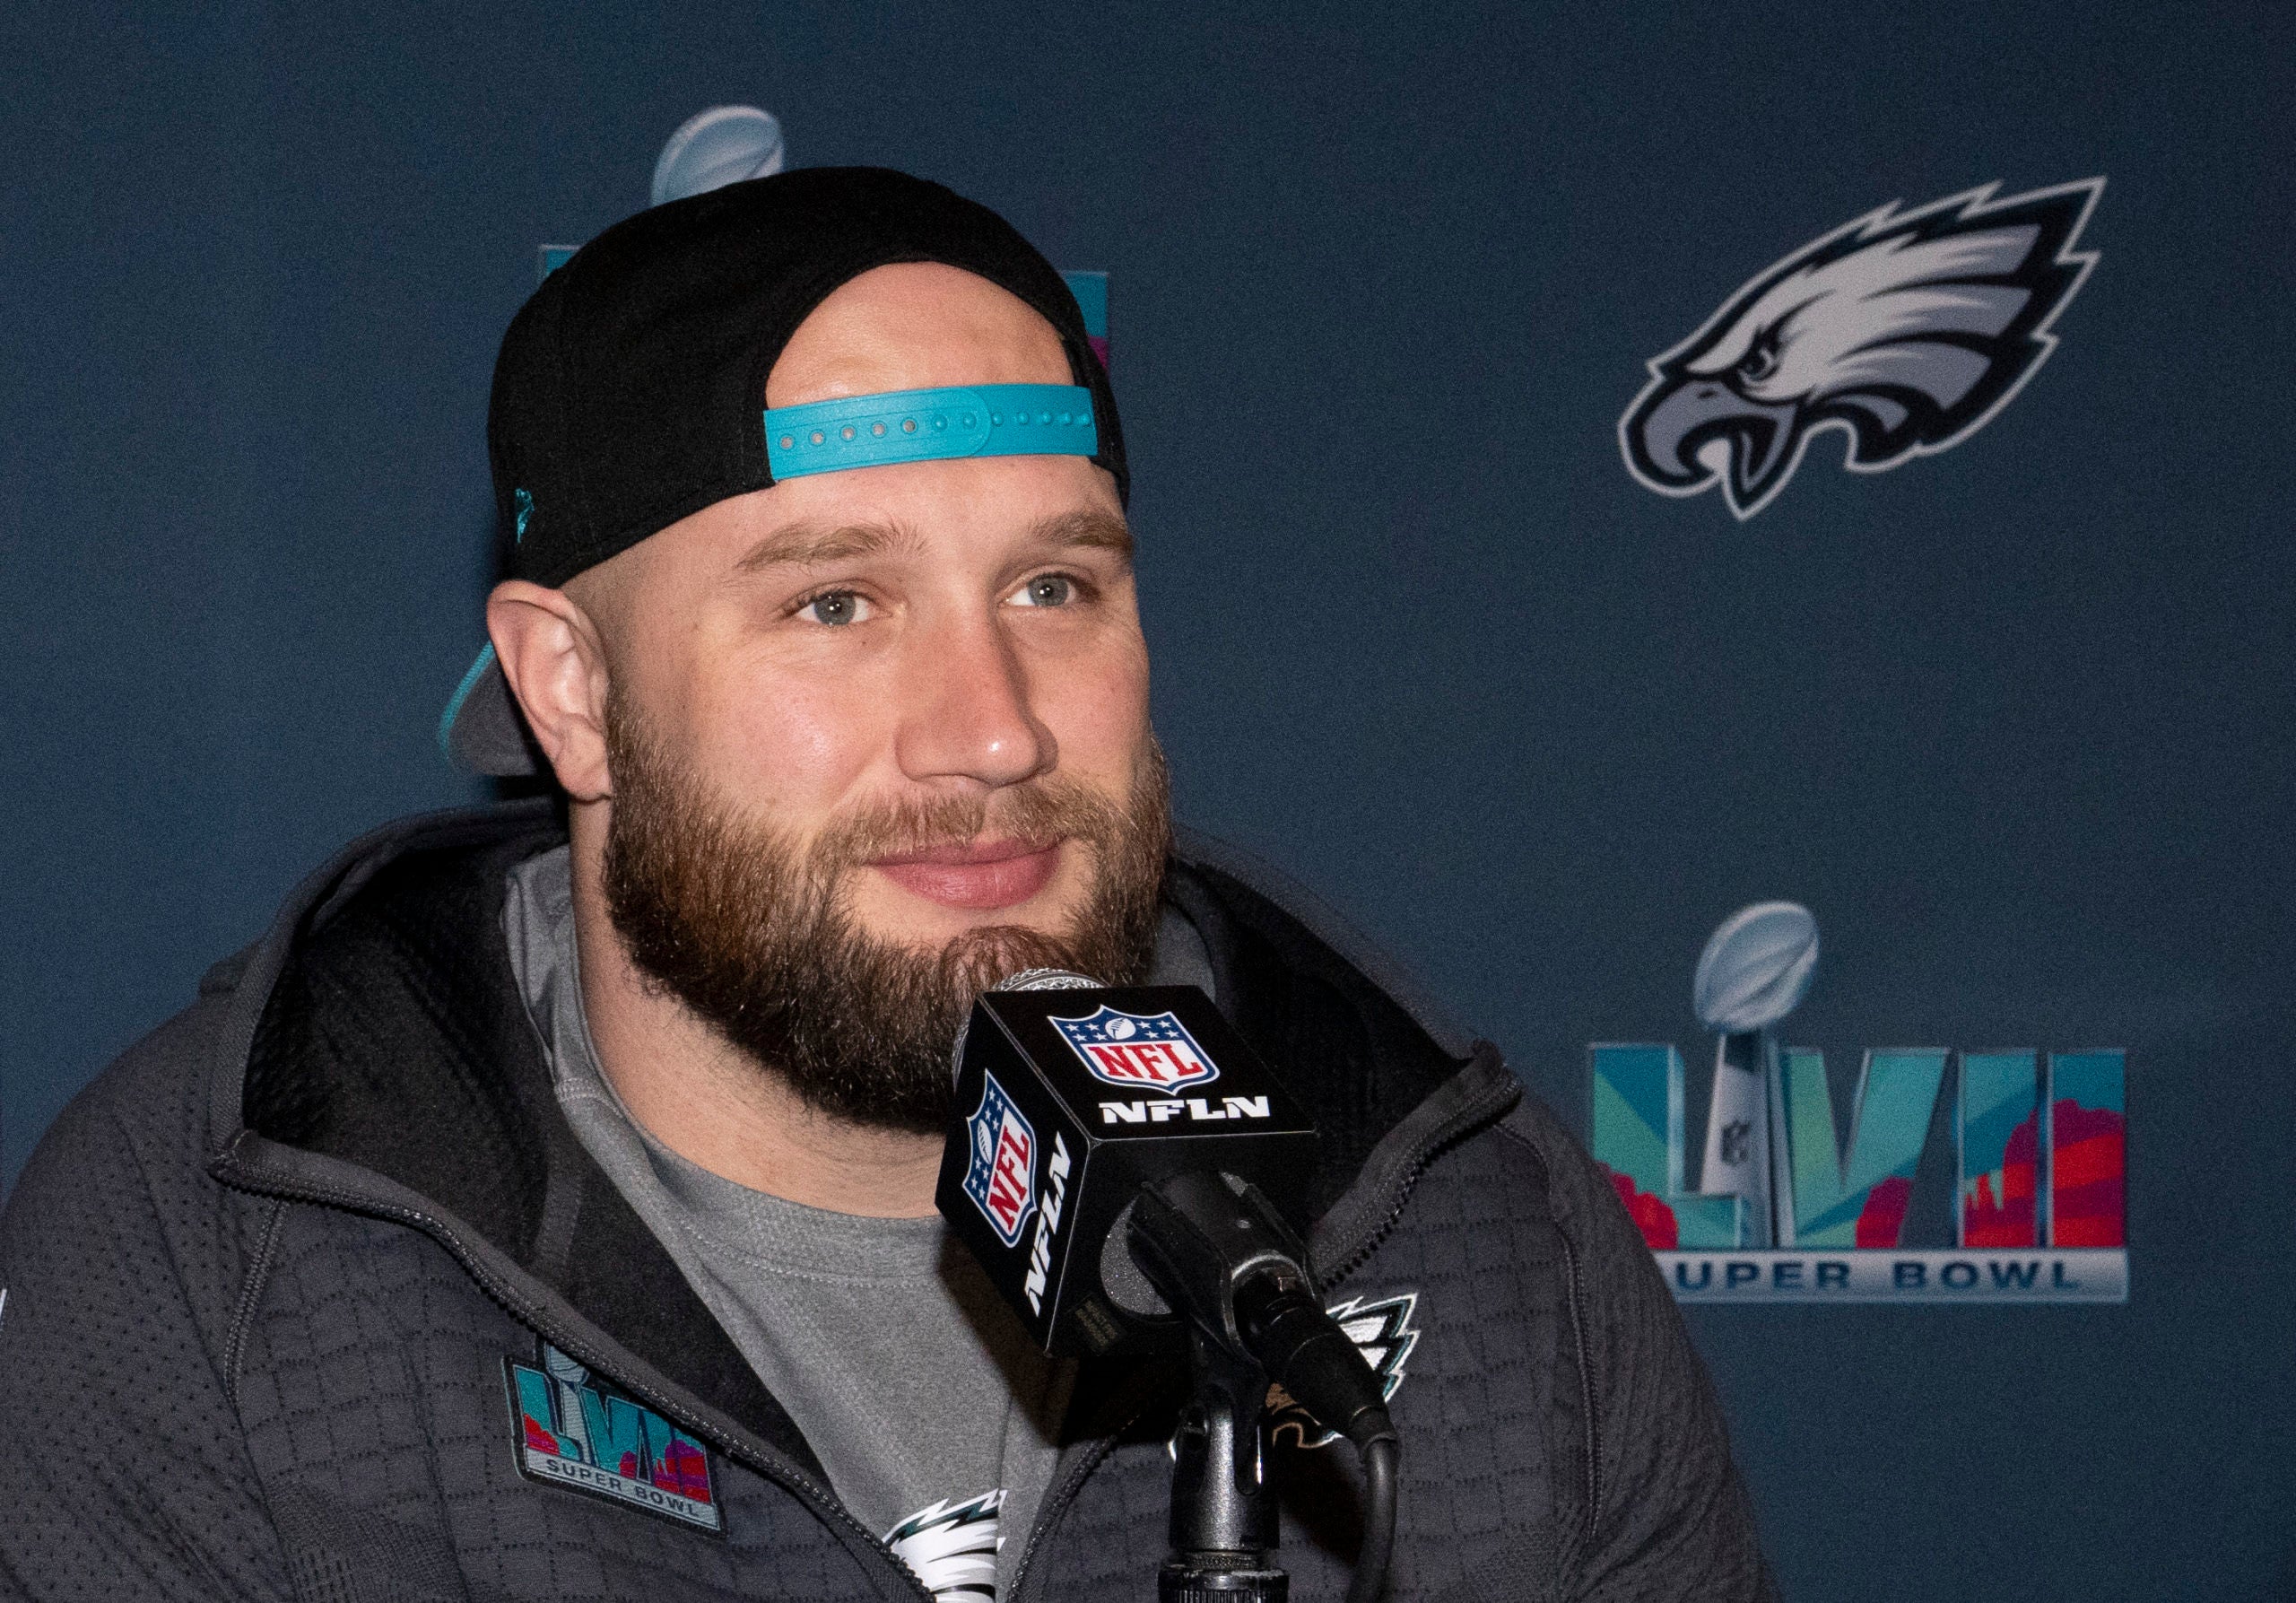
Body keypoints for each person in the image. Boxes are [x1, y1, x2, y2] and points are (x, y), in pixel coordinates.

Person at [0, 167, 1772, 1602]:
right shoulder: (224, 1258)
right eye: (835, 604)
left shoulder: (1455, 1216)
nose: (989, 731)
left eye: (1052, 589)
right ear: (572, 690)